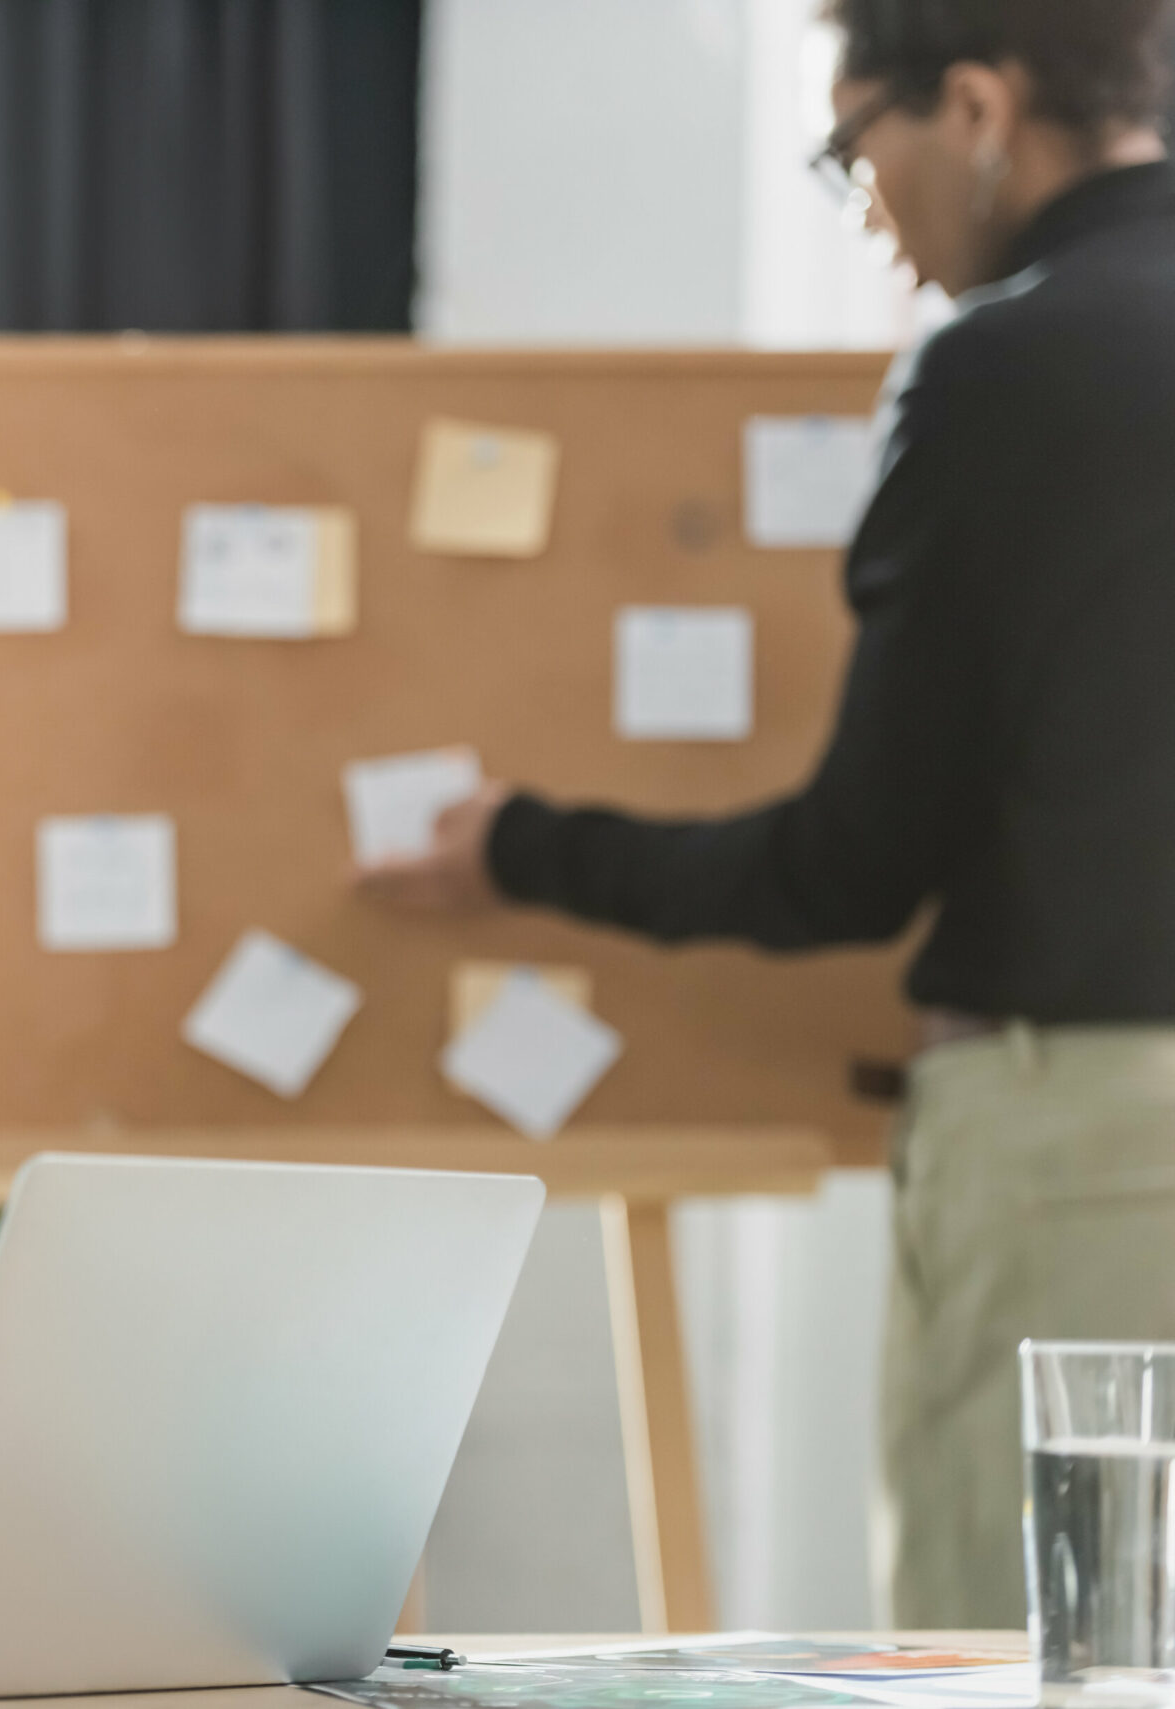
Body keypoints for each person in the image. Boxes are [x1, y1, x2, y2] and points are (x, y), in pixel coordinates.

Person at [362, 0, 1175, 1627]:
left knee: (1026, 1650)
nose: (865, 207)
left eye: (851, 141)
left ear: (976, 105)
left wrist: (521, 843)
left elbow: (849, 865)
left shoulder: (1004, 365)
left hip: (1080, 1141)